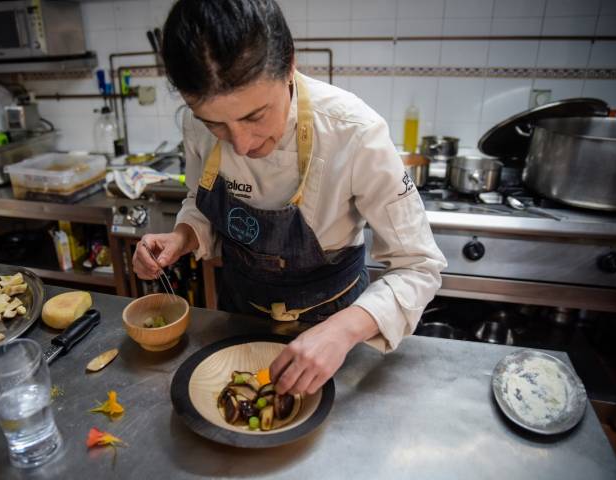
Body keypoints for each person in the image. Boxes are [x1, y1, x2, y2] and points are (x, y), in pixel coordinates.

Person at [132, 0, 447, 396]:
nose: (242, 145)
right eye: (216, 125)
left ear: (289, 66)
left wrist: (343, 330)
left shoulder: (354, 131)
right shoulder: (195, 128)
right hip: (240, 317)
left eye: (255, 116)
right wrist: (183, 236)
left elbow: (420, 266)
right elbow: (201, 199)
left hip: (336, 326)